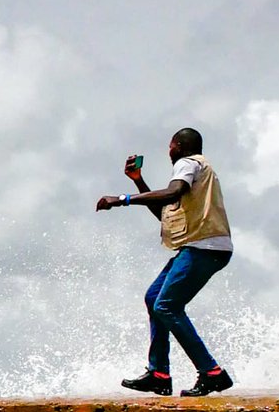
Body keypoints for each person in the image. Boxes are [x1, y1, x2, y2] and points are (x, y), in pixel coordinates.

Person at [96, 127, 235, 397]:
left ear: (179, 146)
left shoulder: (187, 163)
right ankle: (159, 374)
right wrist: (138, 181)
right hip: (199, 247)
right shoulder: (199, 174)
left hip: (204, 248)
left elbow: (173, 193)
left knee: (167, 305)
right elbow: (165, 212)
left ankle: (212, 373)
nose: (168, 151)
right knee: (154, 298)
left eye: (170, 146)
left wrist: (121, 199)